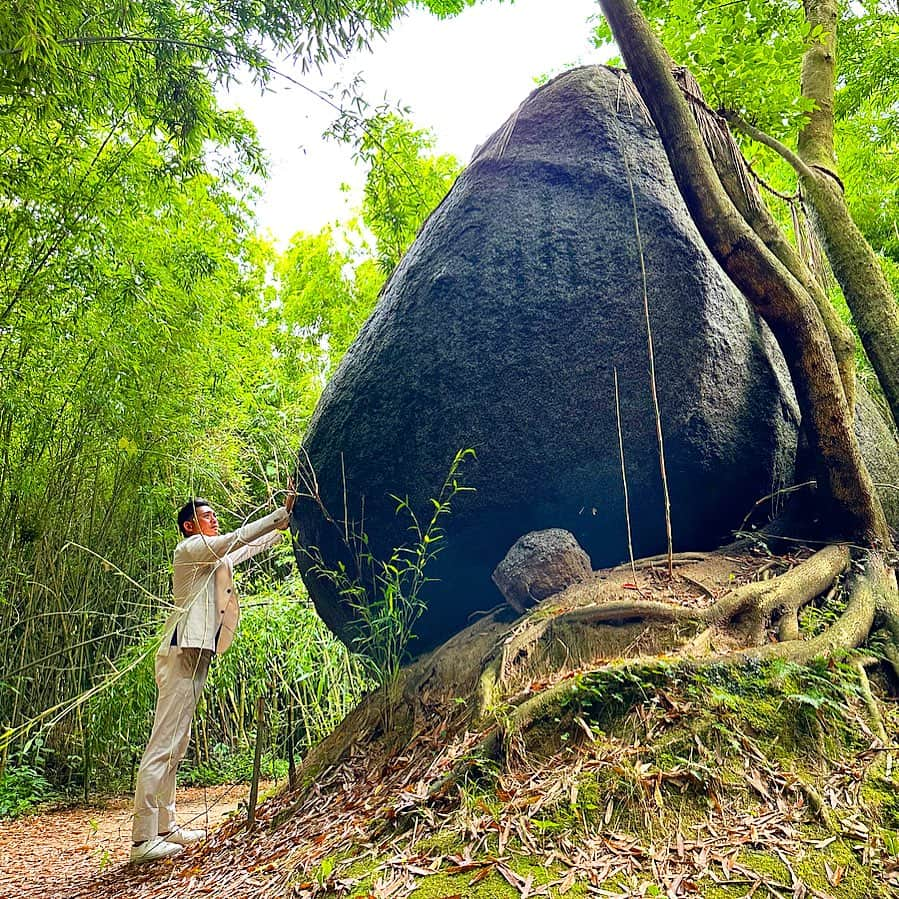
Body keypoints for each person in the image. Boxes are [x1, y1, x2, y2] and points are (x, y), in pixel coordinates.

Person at [130, 488, 294, 863]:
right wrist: (273, 515)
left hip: (197, 653)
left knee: (178, 742)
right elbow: (234, 539)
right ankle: (142, 840)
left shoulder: (213, 557)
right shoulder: (189, 551)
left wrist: (285, 523)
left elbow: (246, 548)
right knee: (163, 745)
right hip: (180, 653)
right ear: (190, 526)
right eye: (207, 517)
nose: (214, 519)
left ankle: (165, 827)